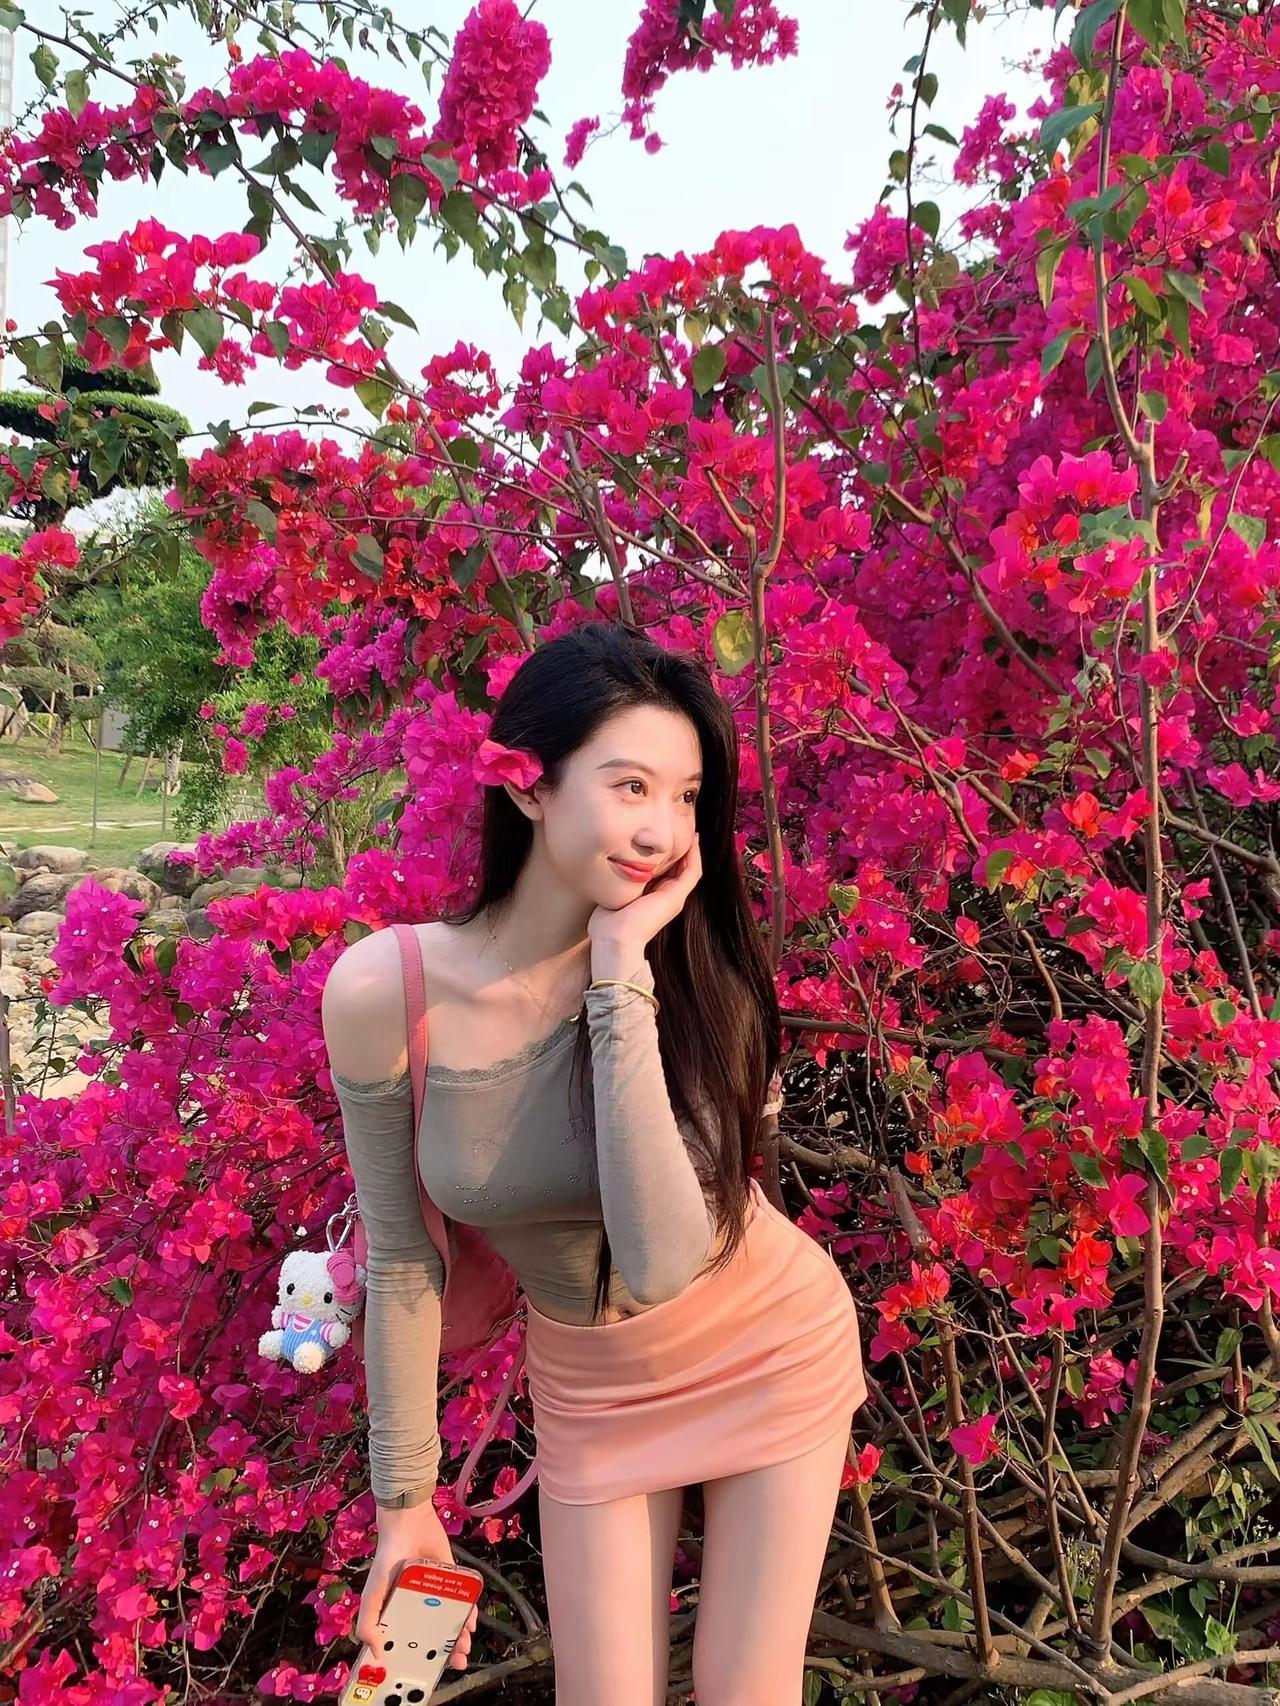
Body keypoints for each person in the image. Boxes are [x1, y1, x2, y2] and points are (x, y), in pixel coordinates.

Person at [321, 620, 867, 1705]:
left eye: (686, 795)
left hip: (768, 1347)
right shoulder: (387, 991)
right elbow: (404, 1256)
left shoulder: (694, 977)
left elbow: (662, 1260)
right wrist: (404, 1502)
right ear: (526, 784)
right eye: (629, 786)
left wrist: (620, 977)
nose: (661, 828)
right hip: (589, 1387)